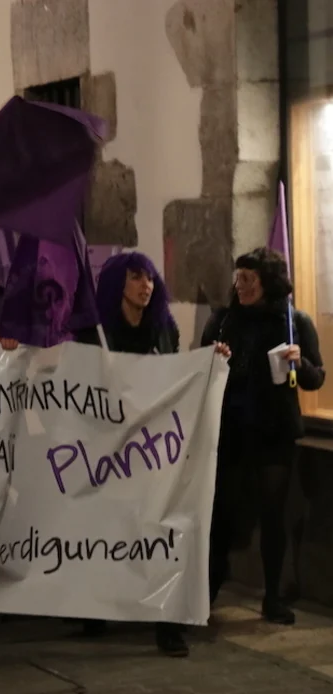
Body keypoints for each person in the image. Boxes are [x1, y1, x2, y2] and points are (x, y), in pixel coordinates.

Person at [75, 251, 227, 656]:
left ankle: (167, 624)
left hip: (155, 447)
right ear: (116, 285)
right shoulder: (93, 333)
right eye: (136, 277)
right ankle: (96, 608)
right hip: (108, 449)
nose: (146, 285)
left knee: (162, 530)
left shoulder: (163, 328)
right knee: (110, 530)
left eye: (149, 278)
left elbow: (178, 374)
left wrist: (210, 362)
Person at [202, 247, 324, 625]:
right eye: (237, 278)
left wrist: (299, 362)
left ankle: (273, 597)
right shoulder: (223, 320)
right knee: (222, 514)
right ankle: (205, 595)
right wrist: (213, 357)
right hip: (232, 432)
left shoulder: (293, 322)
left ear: (268, 282)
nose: (240, 286)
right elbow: (199, 369)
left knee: (274, 516)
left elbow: (316, 378)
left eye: (249, 279)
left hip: (274, 432)